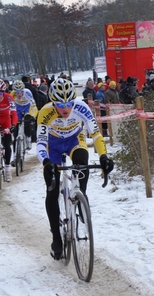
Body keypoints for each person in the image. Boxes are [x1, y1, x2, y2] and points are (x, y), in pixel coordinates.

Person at [36, 78, 114, 260]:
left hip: (74, 139)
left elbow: (95, 134)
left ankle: (81, 196)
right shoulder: (45, 112)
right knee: (52, 190)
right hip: (53, 145)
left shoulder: (81, 108)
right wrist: (46, 162)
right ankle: (56, 238)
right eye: (60, 104)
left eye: (69, 103)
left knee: (81, 162)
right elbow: (40, 142)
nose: (65, 108)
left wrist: (103, 156)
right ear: (52, 102)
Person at [0, 79, 18, 181]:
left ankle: (7, 170)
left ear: (4, 92)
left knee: (7, 144)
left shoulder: (9, 98)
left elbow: (14, 114)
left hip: (6, 120)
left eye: (0, 93)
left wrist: (13, 125)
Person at [10, 80, 38, 165]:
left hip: (27, 107)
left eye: (20, 92)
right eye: (17, 92)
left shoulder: (28, 93)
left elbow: (33, 105)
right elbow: (9, 106)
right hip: (18, 108)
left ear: (23, 90)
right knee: (15, 132)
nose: (18, 94)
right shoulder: (12, 94)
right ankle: (14, 157)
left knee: (27, 120)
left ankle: (28, 138)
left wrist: (33, 116)